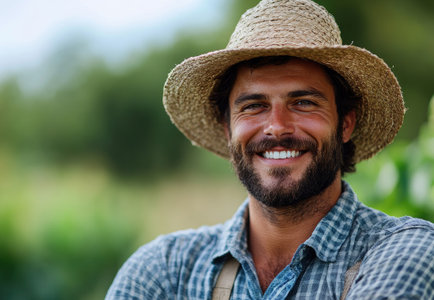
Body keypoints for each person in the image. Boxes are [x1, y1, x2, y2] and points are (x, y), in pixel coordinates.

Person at [106, 0, 434, 299]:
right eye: (254, 106)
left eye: (303, 103)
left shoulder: (404, 251)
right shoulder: (163, 272)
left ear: (345, 124)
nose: (277, 126)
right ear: (228, 129)